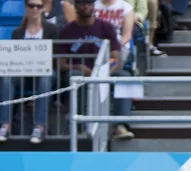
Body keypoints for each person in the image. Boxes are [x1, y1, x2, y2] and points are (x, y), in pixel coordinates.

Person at [57, 0, 134, 140]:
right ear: (75, 6)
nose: (86, 6)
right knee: (75, 75)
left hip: (103, 72)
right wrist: (79, 67)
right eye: (82, 3)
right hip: (79, 74)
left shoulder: (106, 27)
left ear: (93, 5)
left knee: (125, 76)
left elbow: (115, 59)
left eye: (89, 3)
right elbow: (61, 64)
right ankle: (79, 125)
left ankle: (121, 125)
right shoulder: (66, 31)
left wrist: (103, 73)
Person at [0, 0, 58, 144]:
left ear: (42, 8)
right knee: (7, 77)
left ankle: (39, 126)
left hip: (45, 71)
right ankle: (5, 125)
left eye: (38, 6)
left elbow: (56, 58)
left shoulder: (52, 30)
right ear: (25, 7)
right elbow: (15, 58)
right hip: (23, 73)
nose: (35, 9)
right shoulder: (17, 33)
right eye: (31, 5)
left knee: (45, 77)